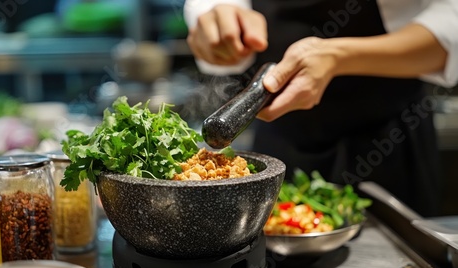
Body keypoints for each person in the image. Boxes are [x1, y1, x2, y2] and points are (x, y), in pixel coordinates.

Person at [183, 0, 458, 217]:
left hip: (389, 139)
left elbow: (451, 22)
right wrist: (217, 17)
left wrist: (337, 56)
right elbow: (210, 11)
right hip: (282, 135)